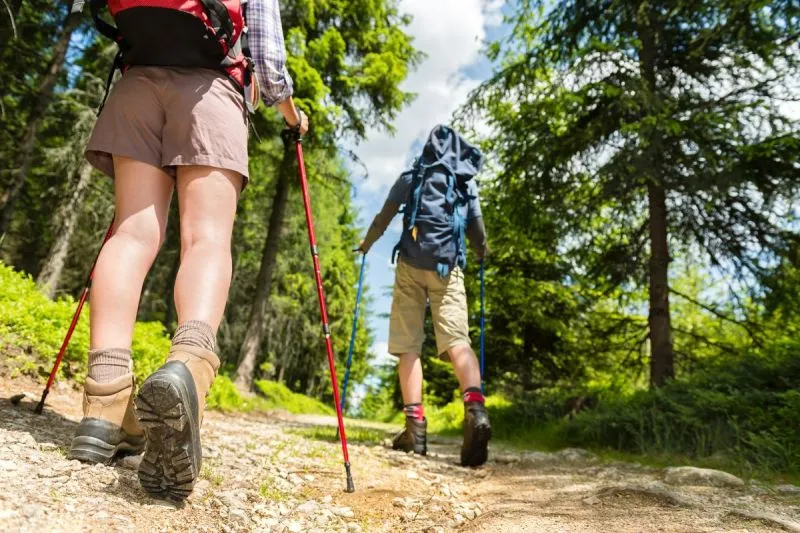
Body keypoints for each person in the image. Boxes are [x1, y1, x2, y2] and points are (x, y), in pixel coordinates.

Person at [67, 0, 308, 502]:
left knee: (131, 234)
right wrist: (292, 115)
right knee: (206, 238)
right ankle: (189, 368)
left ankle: (103, 403)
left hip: (137, 84)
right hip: (210, 89)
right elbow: (267, 56)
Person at [359, 124, 491, 467]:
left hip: (410, 267)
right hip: (449, 268)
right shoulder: (464, 182)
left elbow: (384, 216)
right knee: (457, 340)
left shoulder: (412, 175)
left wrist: (366, 245)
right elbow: (476, 229)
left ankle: (415, 429)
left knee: (409, 344)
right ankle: (475, 409)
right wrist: (482, 251)